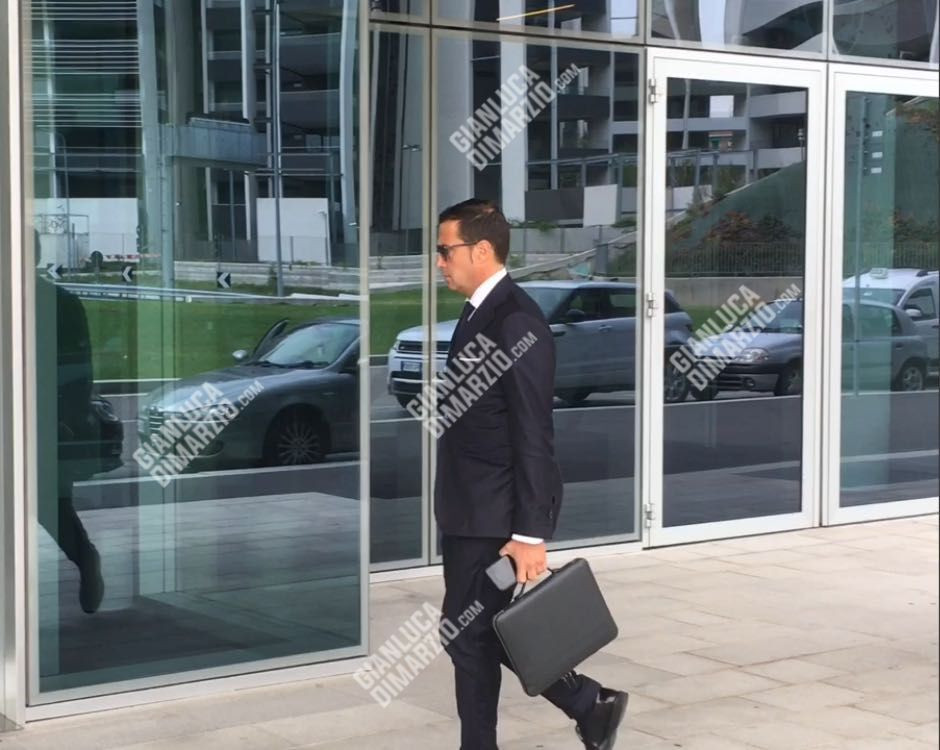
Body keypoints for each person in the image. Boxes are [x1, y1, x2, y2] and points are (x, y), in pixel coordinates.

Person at [433, 199, 628, 750]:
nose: (440, 262)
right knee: (472, 631)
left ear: (481, 250)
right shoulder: (477, 312)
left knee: (466, 633)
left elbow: (533, 431)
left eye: (445, 251)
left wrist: (529, 533)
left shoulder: (516, 321)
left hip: (496, 516)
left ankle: (584, 705)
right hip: (468, 509)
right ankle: (590, 704)